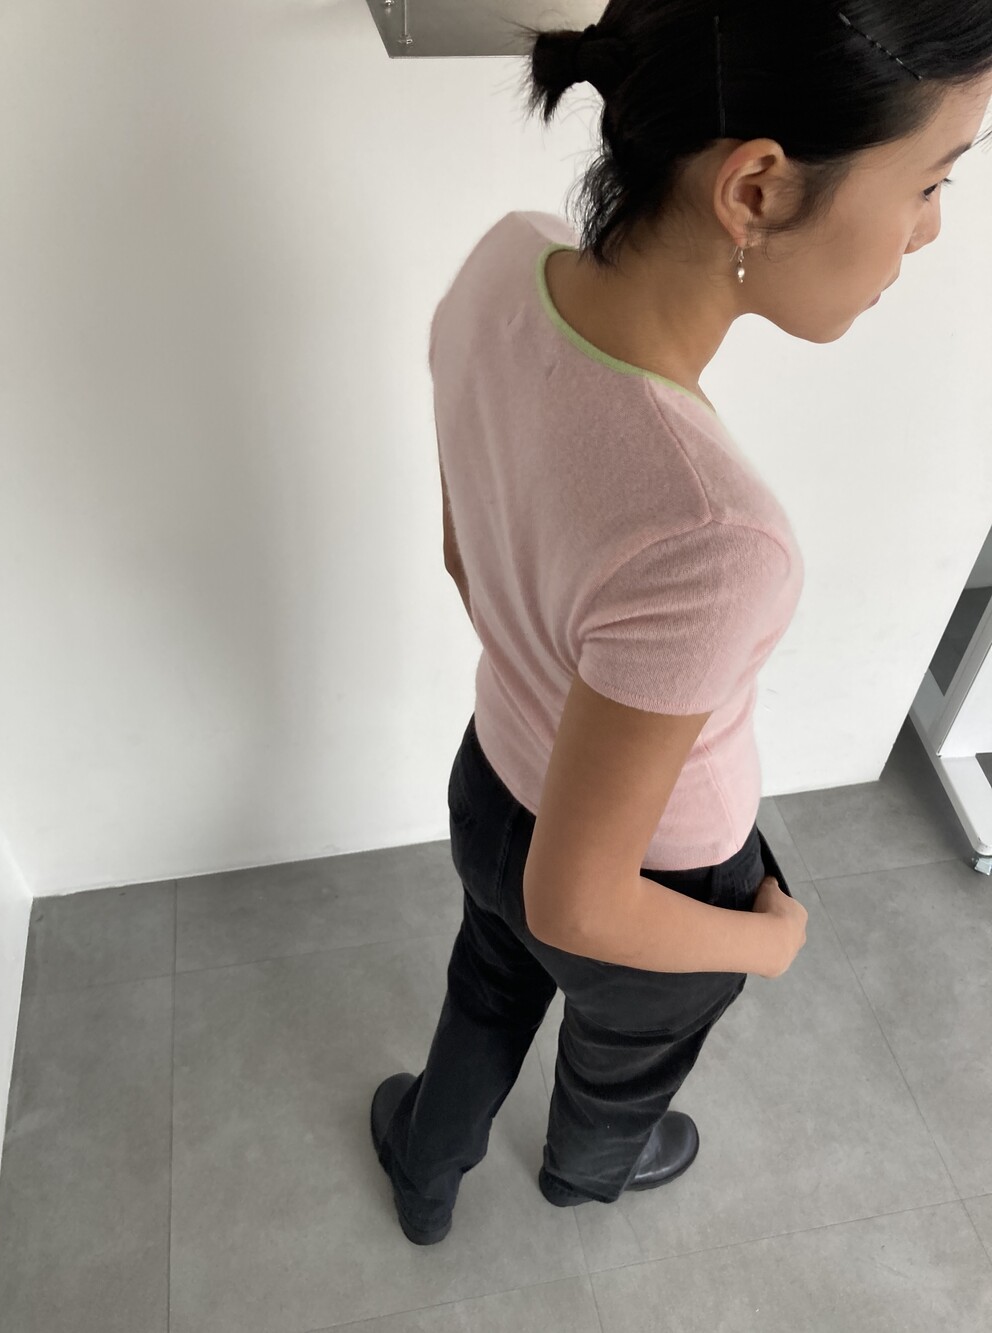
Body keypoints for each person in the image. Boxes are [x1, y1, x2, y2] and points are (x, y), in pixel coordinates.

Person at [371, 2, 992, 1246]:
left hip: (490, 784)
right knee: (624, 1066)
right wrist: (770, 943)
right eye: (931, 181)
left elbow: (462, 558)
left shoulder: (504, 260)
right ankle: (588, 1169)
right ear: (755, 187)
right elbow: (584, 902)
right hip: (656, 882)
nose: (928, 230)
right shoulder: (715, 530)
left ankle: (426, 1166)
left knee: (485, 988)